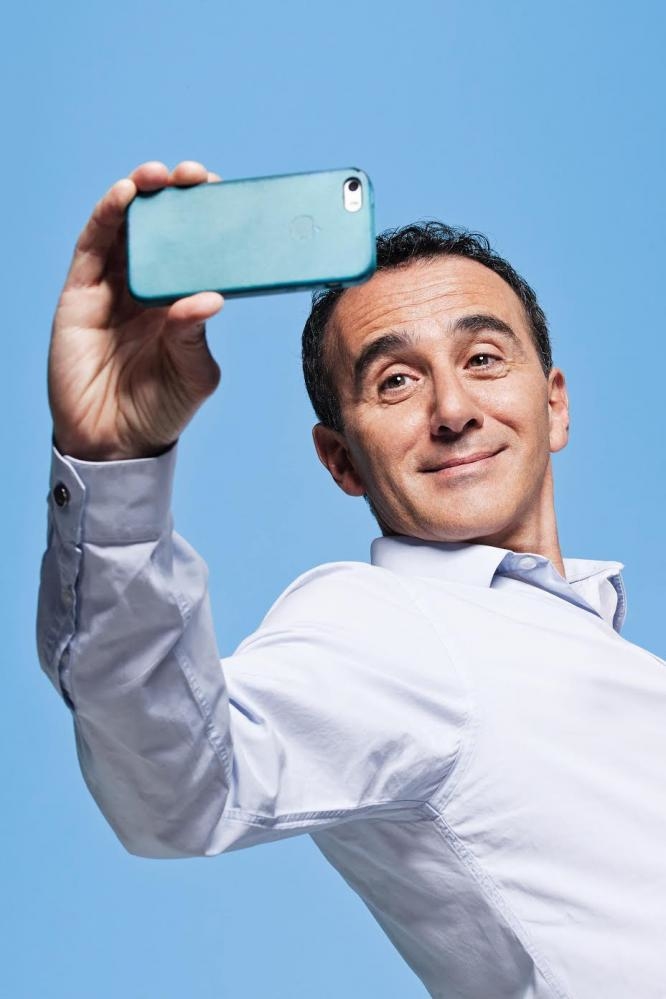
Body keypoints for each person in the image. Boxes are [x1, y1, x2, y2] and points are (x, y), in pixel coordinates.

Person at [38, 160, 666, 999]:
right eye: (395, 380)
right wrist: (114, 463)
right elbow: (179, 782)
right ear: (340, 459)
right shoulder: (388, 624)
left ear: (554, 404)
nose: (453, 409)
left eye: (483, 357)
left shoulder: (604, 653)